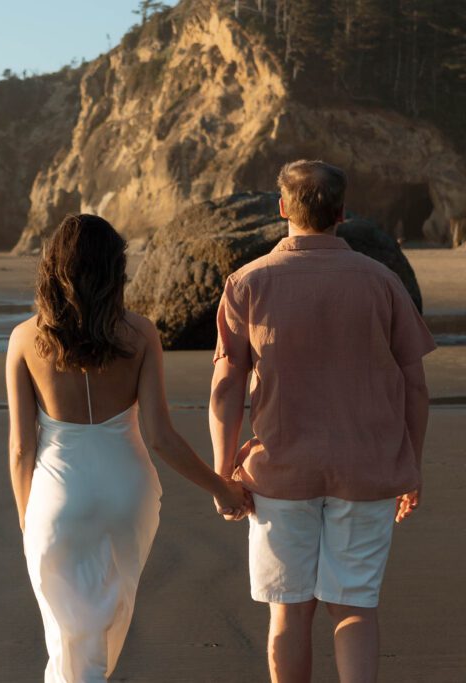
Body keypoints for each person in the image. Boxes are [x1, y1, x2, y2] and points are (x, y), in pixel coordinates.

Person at [210, 160, 435, 683]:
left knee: (289, 610)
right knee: (354, 605)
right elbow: (416, 385)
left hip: (280, 472)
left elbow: (226, 386)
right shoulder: (381, 281)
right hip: (369, 468)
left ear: (282, 208)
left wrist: (224, 471)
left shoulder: (249, 282)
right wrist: (411, 465)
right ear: (341, 212)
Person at [5, 214, 248, 682]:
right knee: (106, 627)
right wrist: (220, 488)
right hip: (128, 495)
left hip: (57, 499)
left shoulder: (24, 340)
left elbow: (20, 448)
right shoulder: (140, 334)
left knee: (67, 638)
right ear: (115, 271)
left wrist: (26, 516)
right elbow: (160, 436)